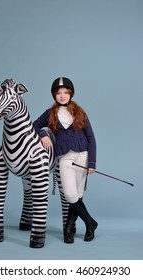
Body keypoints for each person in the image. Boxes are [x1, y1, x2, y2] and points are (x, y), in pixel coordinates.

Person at [33, 77, 98, 243]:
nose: (62, 95)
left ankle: (68, 230)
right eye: (58, 93)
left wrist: (92, 163)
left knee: (78, 195)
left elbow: (91, 137)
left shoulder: (80, 112)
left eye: (65, 92)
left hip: (83, 156)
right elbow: (34, 125)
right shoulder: (50, 113)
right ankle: (90, 222)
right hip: (65, 157)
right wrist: (43, 135)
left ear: (71, 94)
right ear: (54, 95)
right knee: (70, 194)